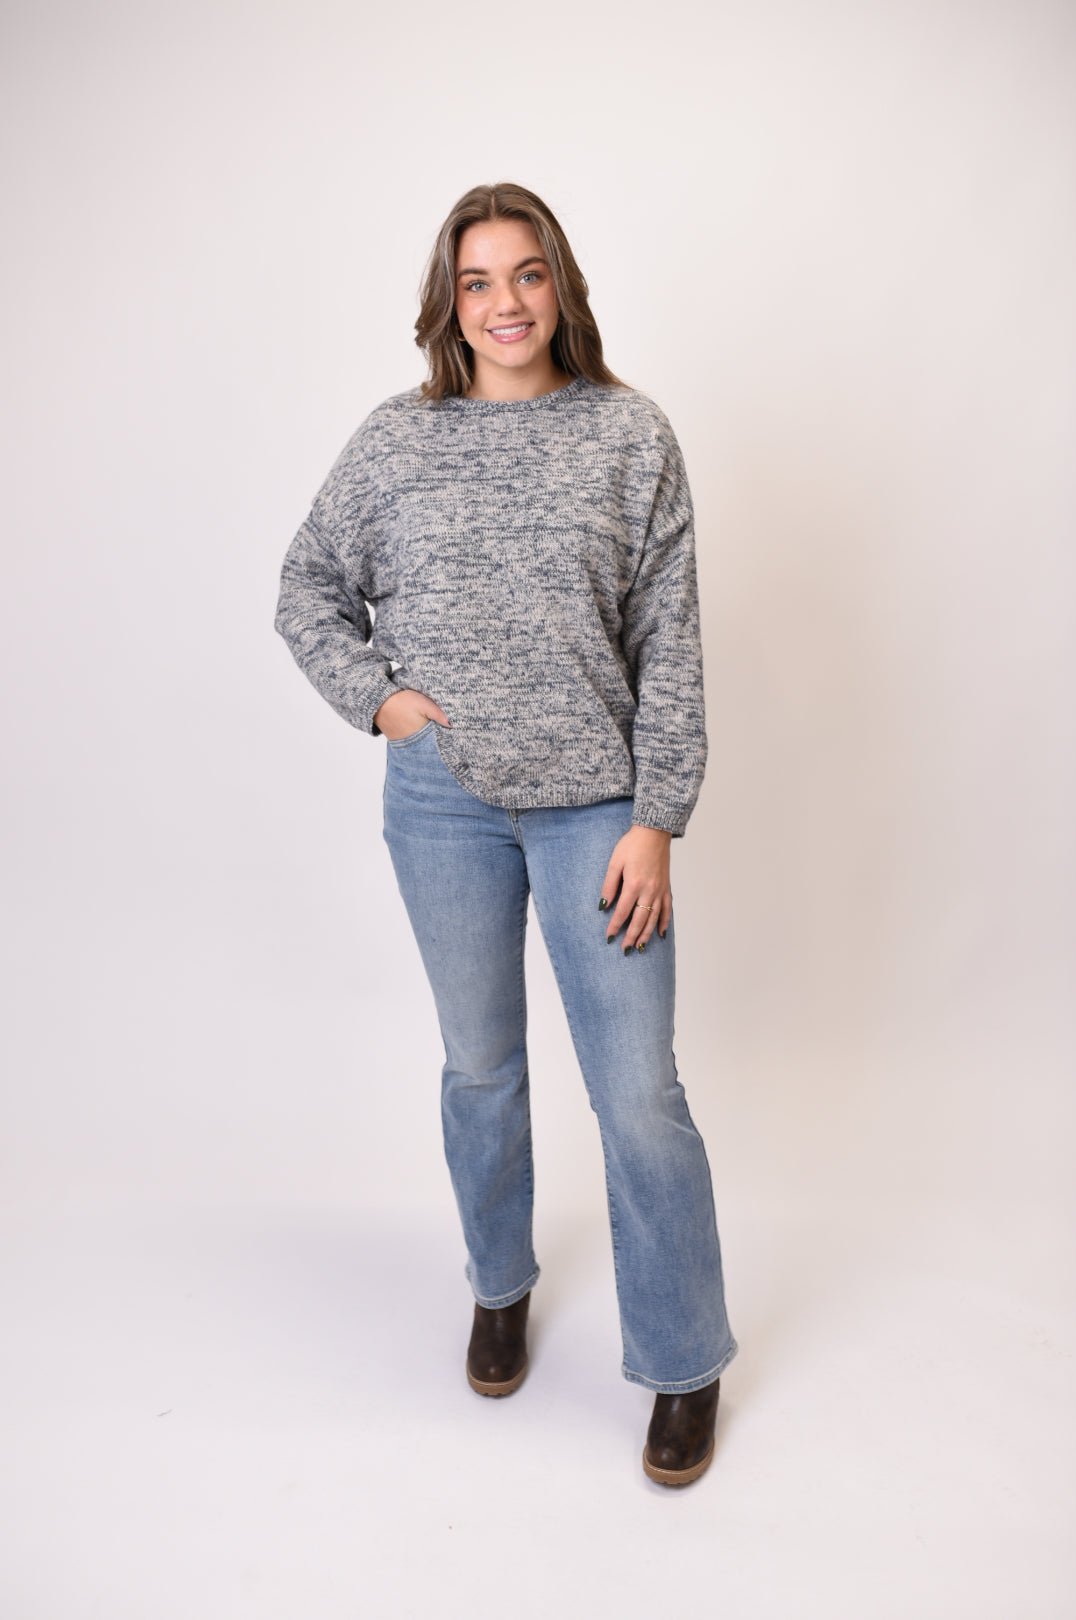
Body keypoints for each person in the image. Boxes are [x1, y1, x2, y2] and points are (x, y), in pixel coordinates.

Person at [274, 181, 737, 1486]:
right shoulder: (396, 440)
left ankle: (684, 1359)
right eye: (477, 281)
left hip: (598, 809)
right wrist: (380, 702)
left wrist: (658, 818)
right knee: (480, 1068)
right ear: (450, 304)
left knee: (638, 1092)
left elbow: (670, 644)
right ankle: (498, 1286)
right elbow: (307, 586)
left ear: (561, 286)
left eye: (527, 273)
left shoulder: (630, 434)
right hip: (443, 803)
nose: (506, 302)